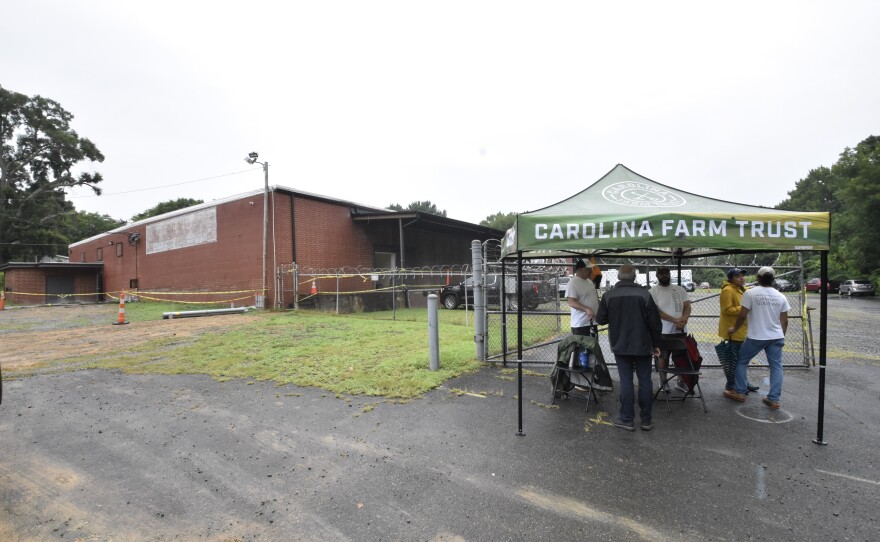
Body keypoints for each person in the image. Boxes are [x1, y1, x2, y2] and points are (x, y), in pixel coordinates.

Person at [595, 264, 662, 431]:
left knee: (626, 381)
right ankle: (646, 420)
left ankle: (627, 419)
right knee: (645, 380)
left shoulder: (609, 295)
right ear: (634, 277)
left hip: (620, 344)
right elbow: (655, 323)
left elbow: (601, 319)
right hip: (643, 345)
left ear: (618, 277)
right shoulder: (645, 295)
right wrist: (656, 344)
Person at [724, 266, 790, 409]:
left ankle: (740, 392)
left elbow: (742, 315)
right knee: (776, 367)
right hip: (776, 336)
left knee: (742, 361)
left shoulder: (751, 293)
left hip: (757, 336)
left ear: (758, 278)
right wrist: (782, 336)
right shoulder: (781, 296)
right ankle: (774, 399)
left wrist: (734, 328)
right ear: (773, 279)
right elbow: (784, 321)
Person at [649, 267, 692, 393]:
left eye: (666, 273)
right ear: (656, 275)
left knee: (680, 357)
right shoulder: (653, 291)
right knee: (663, 357)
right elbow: (656, 311)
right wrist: (675, 320)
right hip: (663, 332)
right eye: (661, 274)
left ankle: (680, 381)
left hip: (681, 330)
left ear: (669, 274)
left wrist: (683, 319)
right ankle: (663, 382)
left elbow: (687, 306)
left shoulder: (680, 289)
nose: (664, 276)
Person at [717, 268, 759, 394]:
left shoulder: (743, 290)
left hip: (743, 329)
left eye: (742, 276)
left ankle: (743, 383)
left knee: (742, 360)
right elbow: (727, 310)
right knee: (734, 360)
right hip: (732, 331)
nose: (742, 278)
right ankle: (732, 385)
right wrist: (744, 308)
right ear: (731, 279)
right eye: (737, 276)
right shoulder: (727, 290)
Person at [565, 259, 599, 336]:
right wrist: (587, 309)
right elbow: (571, 302)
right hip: (580, 325)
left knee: (593, 347)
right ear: (580, 269)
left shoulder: (589, 281)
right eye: (588, 269)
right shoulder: (573, 283)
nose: (591, 271)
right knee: (583, 348)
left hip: (592, 322)